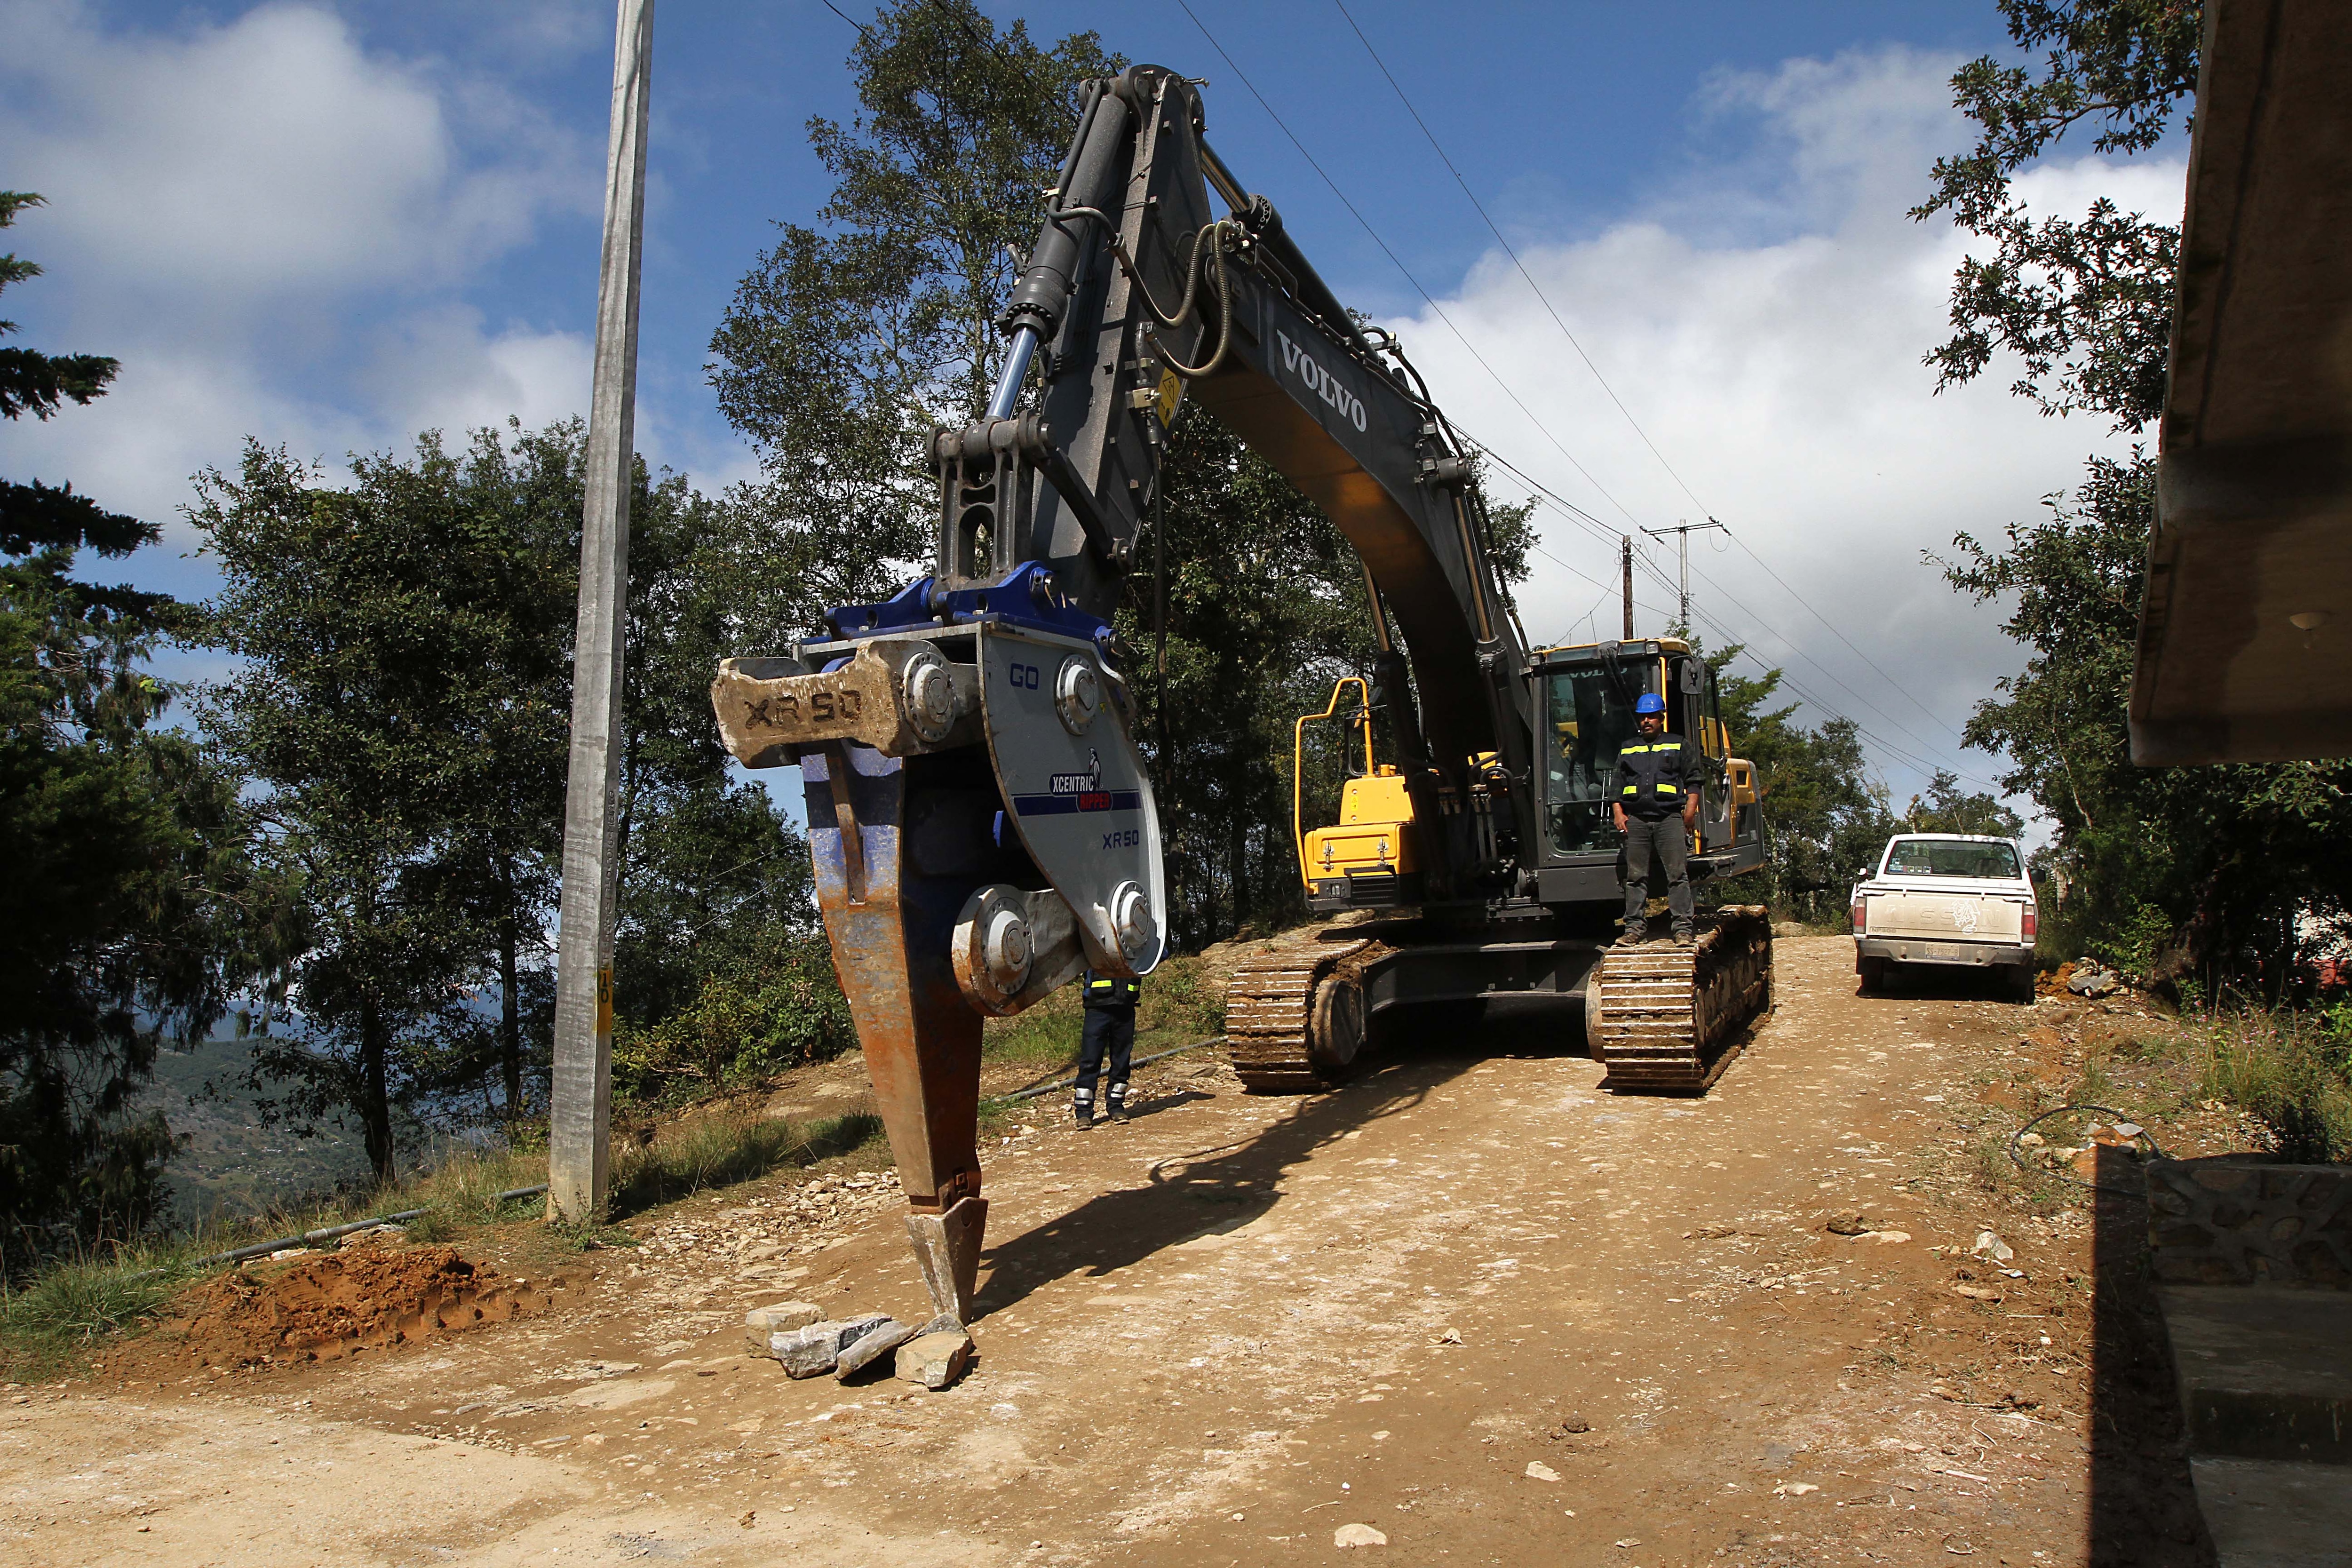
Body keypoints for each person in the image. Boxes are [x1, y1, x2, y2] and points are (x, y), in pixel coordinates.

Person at [1613, 691, 1699, 946]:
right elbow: (1617, 785)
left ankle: (1683, 930)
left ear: (1661, 718)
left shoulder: (1678, 744)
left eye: (1652, 716)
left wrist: (1690, 812)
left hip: (1669, 819)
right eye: (1643, 717)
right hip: (1637, 820)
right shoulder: (1628, 748)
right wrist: (1619, 813)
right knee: (1635, 877)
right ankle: (1634, 929)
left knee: (1677, 875)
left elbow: (1694, 780)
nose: (1647, 721)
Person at [1073, 968, 1140, 1129]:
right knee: (1091, 1060)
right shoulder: (1093, 943)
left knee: (1121, 1061)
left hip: (1125, 1007)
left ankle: (1116, 1107)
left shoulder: (1135, 945)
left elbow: (1159, 954)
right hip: (1097, 1008)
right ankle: (1084, 1113)